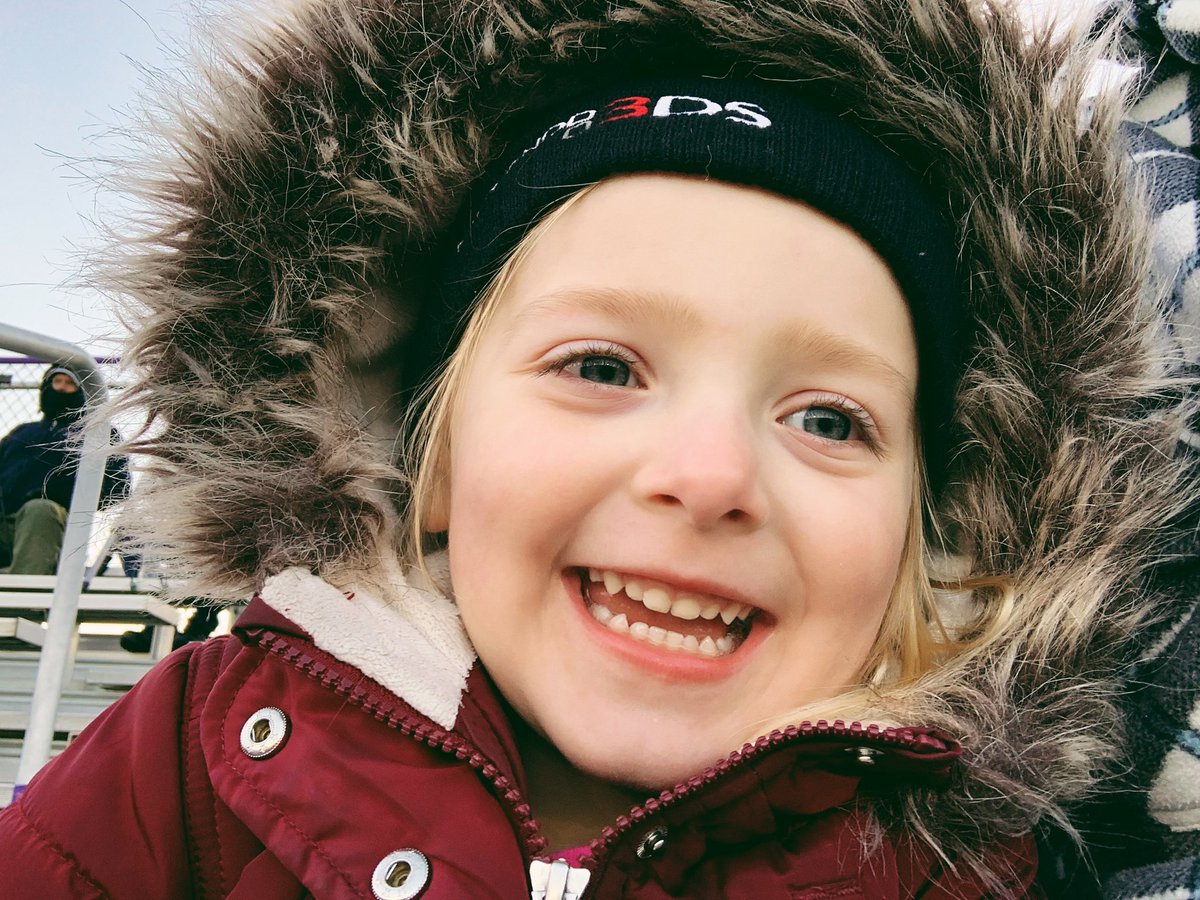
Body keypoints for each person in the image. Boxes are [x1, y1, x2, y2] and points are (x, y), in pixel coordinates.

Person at [0, 1, 1193, 897]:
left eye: (829, 420)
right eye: (602, 368)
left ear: (934, 535)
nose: (711, 477)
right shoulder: (187, 767)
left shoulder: (956, 871)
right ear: (425, 461)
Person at [0, 365, 128, 575]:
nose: (61, 388)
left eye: (69, 383)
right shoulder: (22, 433)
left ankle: (25, 588)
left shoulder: (96, 432)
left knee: (39, 510)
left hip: (54, 522)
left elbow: (119, 487)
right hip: (7, 520)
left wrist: (65, 494)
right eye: (57, 381)